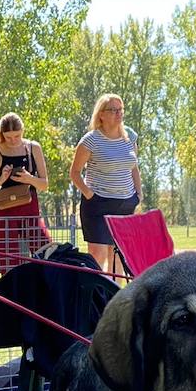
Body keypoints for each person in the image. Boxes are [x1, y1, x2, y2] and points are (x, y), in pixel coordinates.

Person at [69, 94, 140, 274]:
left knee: (119, 257)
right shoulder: (91, 139)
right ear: (101, 114)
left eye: (120, 109)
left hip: (125, 204)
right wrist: (90, 195)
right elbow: (75, 173)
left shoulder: (130, 137)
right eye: (113, 110)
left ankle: (116, 299)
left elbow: (134, 168)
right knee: (97, 256)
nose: (118, 113)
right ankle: (97, 300)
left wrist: (138, 194)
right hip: (98, 204)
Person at [0, 112, 51, 269]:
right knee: (10, 263)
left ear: (23, 131)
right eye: (8, 137)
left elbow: (44, 185)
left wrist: (29, 178)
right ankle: (9, 293)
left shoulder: (34, 148)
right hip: (4, 213)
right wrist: (1, 179)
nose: (13, 141)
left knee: (47, 254)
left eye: (17, 136)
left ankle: (44, 291)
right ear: (2, 134)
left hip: (30, 211)